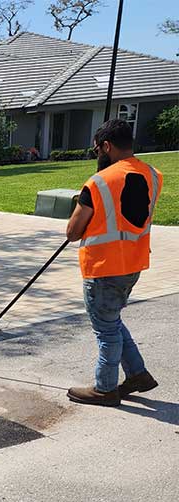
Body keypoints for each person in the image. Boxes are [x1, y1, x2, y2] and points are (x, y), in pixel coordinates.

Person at [65, 119, 163, 407]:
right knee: (111, 320)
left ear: (106, 146)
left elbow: (72, 232)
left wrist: (90, 190)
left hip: (104, 268)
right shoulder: (152, 174)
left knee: (106, 330)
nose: (98, 153)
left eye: (98, 149)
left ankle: (104, 389)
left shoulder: (98, 183)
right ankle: (138, 375)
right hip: (133, 264)